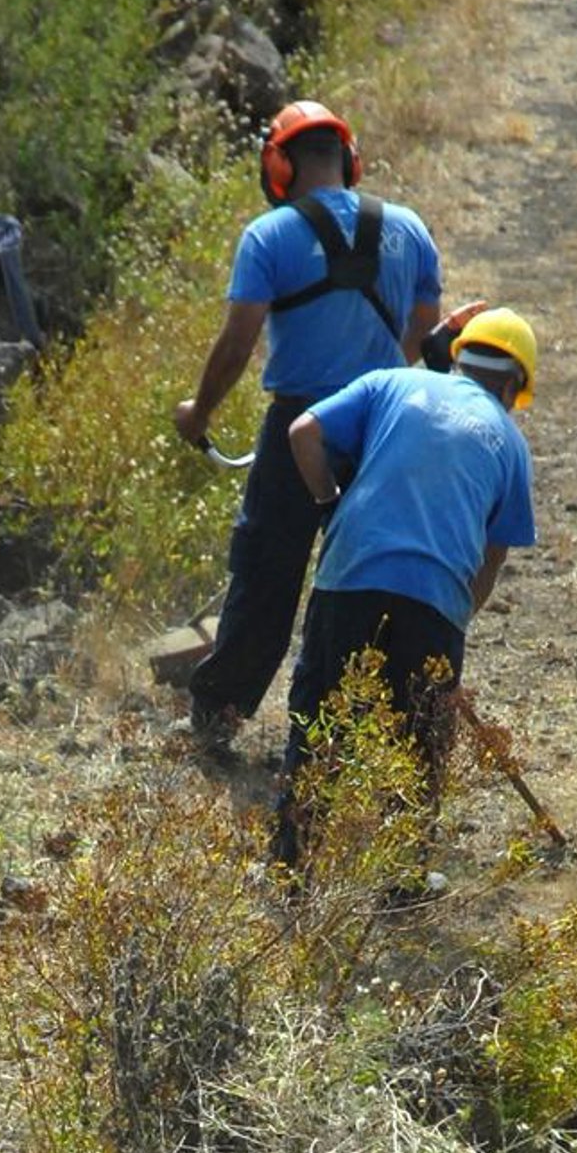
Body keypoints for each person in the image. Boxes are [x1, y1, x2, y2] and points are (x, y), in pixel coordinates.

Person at [172, 100, 445, 746]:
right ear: (349, 160)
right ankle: (361, 729)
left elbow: (238, 343)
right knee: (372, 577)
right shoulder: (410, 228)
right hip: (384, 423)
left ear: (278, 165)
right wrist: (381, 378)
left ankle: (219, 715)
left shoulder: (269, 236)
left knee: (267, 571)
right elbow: (427, 326)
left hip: (299, 424)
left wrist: (199, 413)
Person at [280, 307, 539, 853]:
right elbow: (492, 558)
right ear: (513, 384)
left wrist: (328, 504)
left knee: (320, 724)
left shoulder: (390, 382)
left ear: (460, 358)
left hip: (349, 575)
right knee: (419, 750)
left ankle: (293, 864)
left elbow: (303, 432)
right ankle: (403, 877)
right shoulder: (511, 444)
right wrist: (451, 623)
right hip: (435, 602)